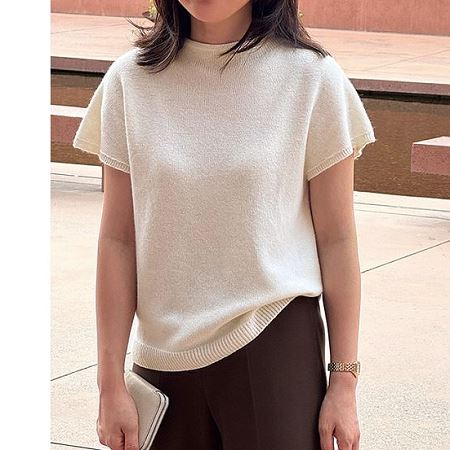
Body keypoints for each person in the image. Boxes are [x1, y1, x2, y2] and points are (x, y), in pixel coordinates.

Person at [72, 1, 376, 449]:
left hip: (273, 343)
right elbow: (119, 239)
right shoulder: (129, 81)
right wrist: (109, 382)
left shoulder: (311, 78)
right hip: (162, 356)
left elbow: (337, 240)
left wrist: (344, 382)